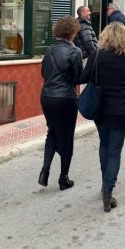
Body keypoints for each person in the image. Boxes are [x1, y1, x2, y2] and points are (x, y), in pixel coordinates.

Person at [80, 23, 125, 212]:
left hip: (101, 108)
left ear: (104, 36)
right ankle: (108, 191)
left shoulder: (97, 55)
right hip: (123, 109)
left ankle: (105, 184)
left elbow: (84, 77)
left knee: (104, 145)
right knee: (115, 150)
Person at [38, 16, 82, 190]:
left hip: (47, 97)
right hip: (66, 98)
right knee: (67, 137)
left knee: (52, 132)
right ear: (72, 32)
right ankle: (63, 178)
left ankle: (45, 170)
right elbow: (78, 77)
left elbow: (44, 73)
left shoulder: (49, 50)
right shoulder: (75, 51)